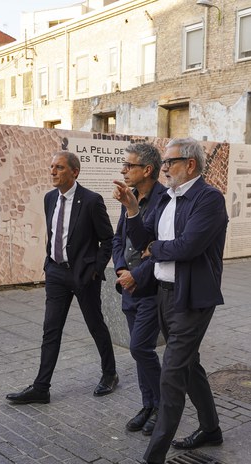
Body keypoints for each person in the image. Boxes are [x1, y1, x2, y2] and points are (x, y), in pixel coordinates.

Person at [114, 138, 228, 464]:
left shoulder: (208, 199)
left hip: (191, 299)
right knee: (189, 366)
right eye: (163, 163)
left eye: (170, 162)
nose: (164, 169)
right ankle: (211, 428)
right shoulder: (168, 199)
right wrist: (133, 210)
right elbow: (142, 239)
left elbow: (188, 247)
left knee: (172, 376)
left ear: (190, 164)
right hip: (163, 294)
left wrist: (156, 248)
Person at [6, 151, 118, 404]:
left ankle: (110, 373)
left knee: (95, 324)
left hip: (83, 275)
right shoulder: (49, 198)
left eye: (59, 167)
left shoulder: (91, 200)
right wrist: (49, 264)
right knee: (51, 330)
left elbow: (108, 239)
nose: (53, 171)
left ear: (74, 172)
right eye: (52, 167)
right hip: (56, 272)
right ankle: (41, 388)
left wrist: (95, 269)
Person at [112, 143, 166, 435]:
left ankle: (162, 407)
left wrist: (136, 275)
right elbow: (118, 239)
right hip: (128, 287)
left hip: (150, 288)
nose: (124, 170)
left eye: (129, 165)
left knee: (140, 347)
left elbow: (158, 249)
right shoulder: (129, 197)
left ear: (147, 169)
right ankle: (149, 405)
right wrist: (121, 269)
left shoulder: (164, 200)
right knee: (140, 351)